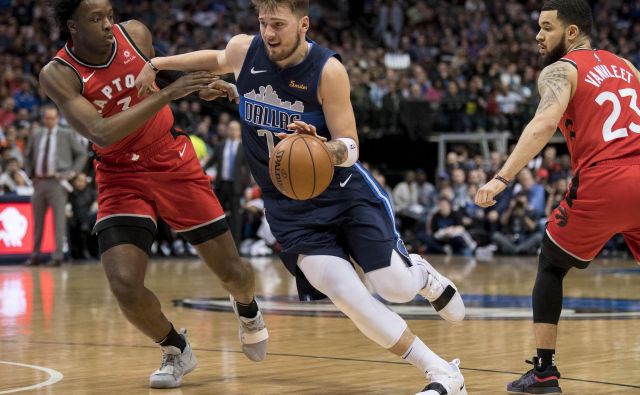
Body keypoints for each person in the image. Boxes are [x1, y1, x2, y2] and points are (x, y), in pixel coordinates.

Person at [136, 1, 467, 393]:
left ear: (303, 23)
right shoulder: (247, 50)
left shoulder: (328, 70)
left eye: (278, 24)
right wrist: (159, 63)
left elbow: (352, 145)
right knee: (347, 295)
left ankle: (420, 274)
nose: (269, 33)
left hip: (344, 195)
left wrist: (328, 151)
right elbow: (219, 57)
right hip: (289, 209)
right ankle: (443, 372)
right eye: (263, 23)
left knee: (394, 287)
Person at [40, 0, 268, 389]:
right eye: (96, 19)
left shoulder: (135, 34)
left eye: (110, 15)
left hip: (169, 158)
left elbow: (151, 80)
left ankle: (247, 308)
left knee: (233, 272)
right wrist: (171, 94)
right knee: (124, 284)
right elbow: (100, 131)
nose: (108, 25)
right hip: (118, 174)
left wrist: (201, 86)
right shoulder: (58, 74)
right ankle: (176, 348)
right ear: (72, 26)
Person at [475, 1, 640, 393]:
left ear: (571, 33)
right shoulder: (628, 67)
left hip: (605, 179)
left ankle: (545, 372)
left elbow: (543, 124)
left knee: (550, 263)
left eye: (546, 27)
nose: (538, 35)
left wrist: (501, 178)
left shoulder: (560, 70)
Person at [24, 106, 87, 266]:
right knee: (37, 222)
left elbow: (82, 153)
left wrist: (73, 172)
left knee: (58, 220)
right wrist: (30, 173)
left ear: (57, 119)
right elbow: (28, 155)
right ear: (43, 119)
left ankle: (57, 256)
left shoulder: (66, 134)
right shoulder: (36, 134)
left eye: (52, 118)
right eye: (47, 118)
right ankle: (35, 255)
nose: (49, 121)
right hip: (39, 182)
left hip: (58, 182)